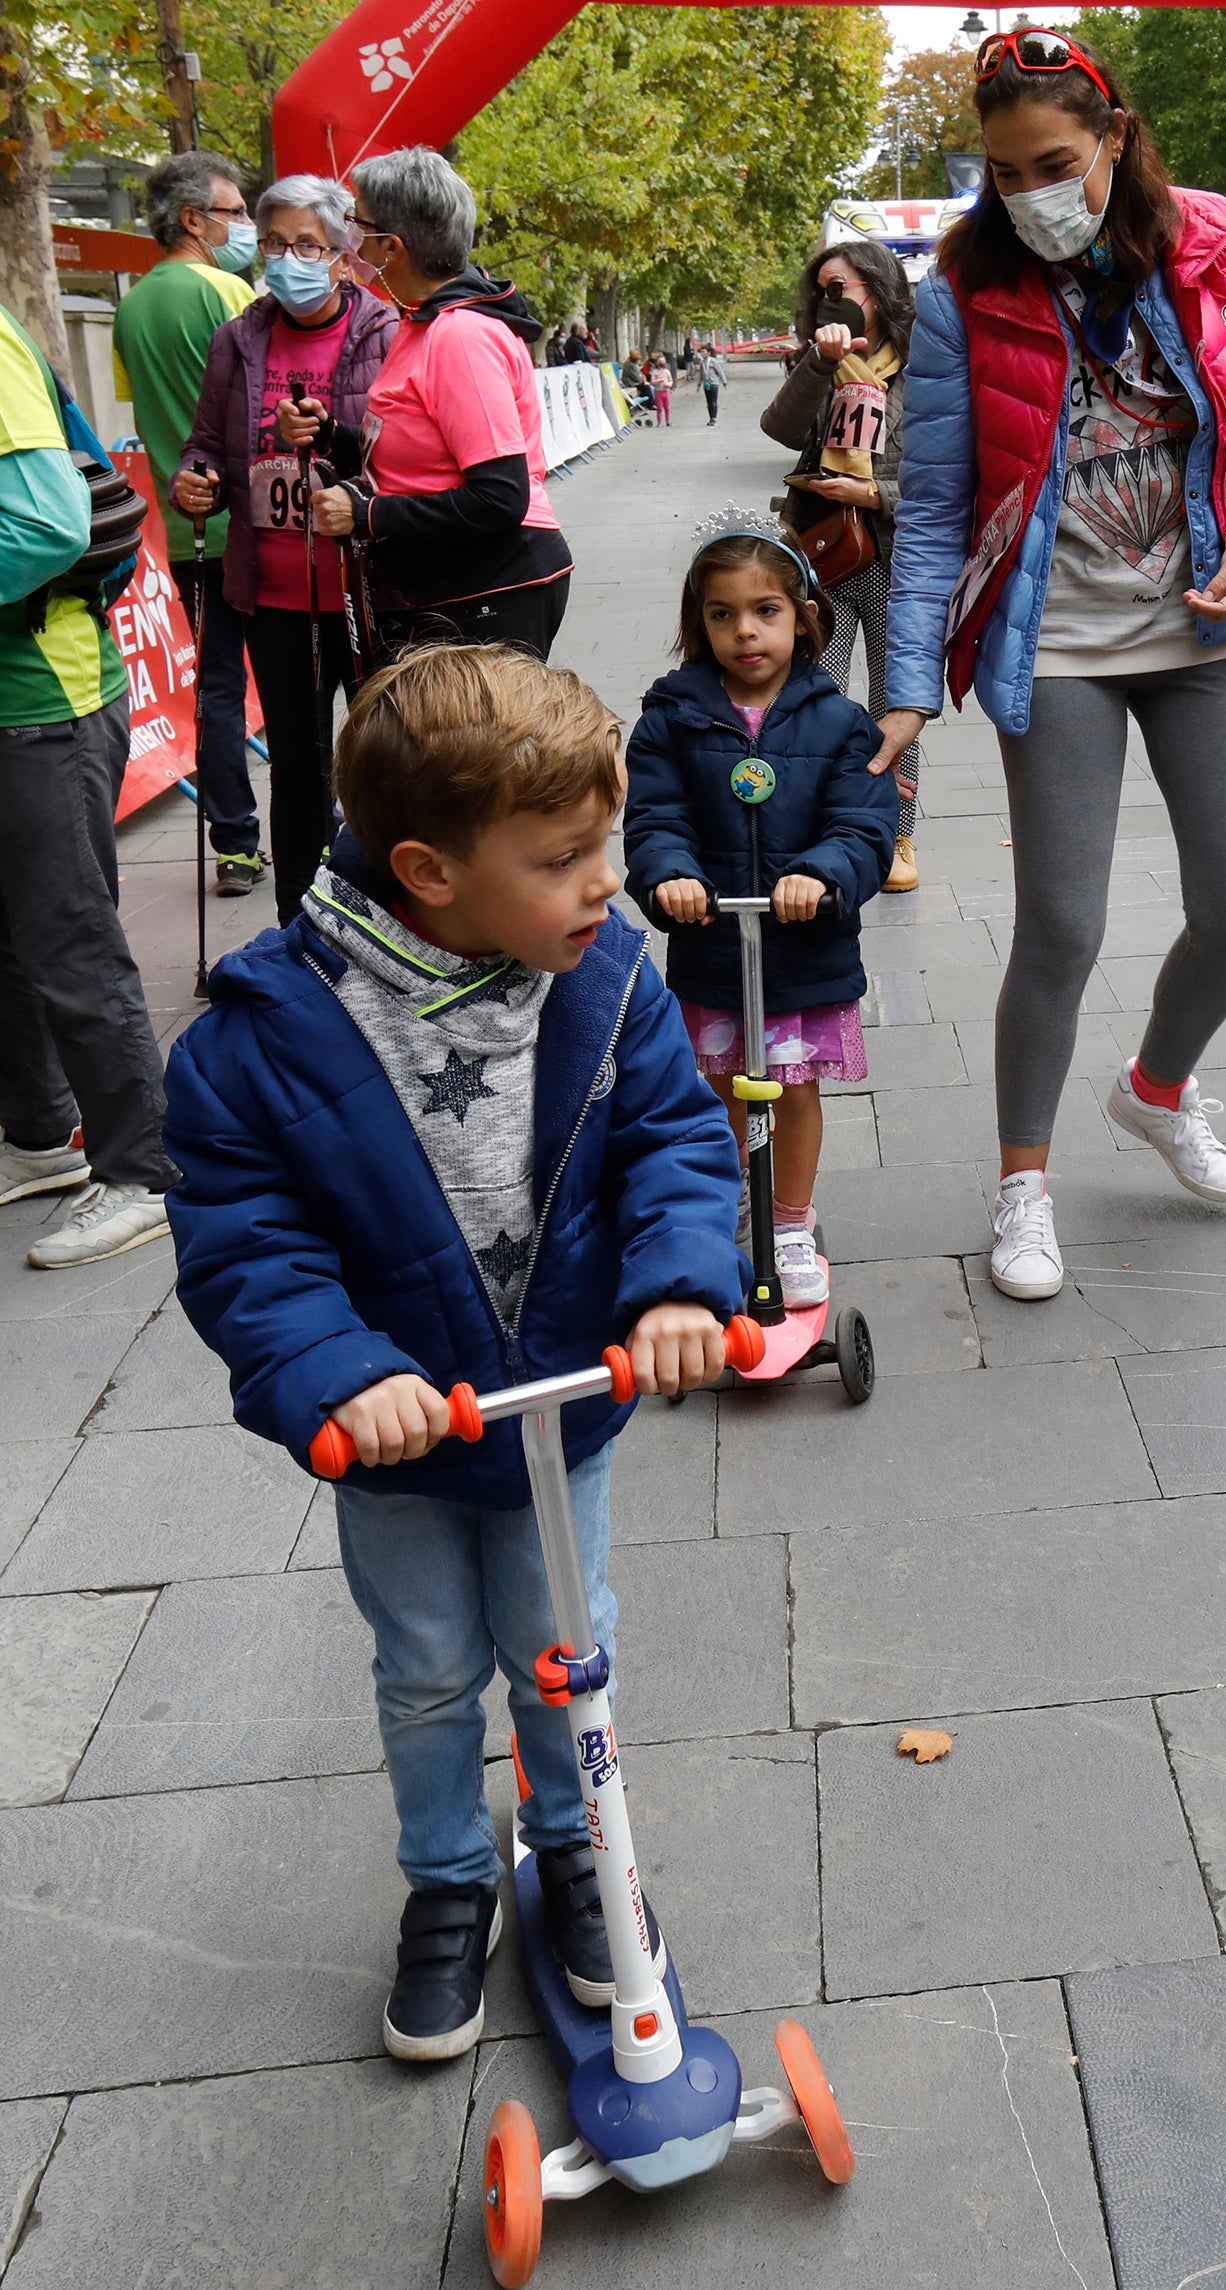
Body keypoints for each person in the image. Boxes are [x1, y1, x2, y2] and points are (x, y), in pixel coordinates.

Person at [162, 640, 743, 2060]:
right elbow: (246, 1240)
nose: (603, 882)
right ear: (427, 871)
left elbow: (673, 1137)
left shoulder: (608, 979)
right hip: (408, 1433)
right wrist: (345, 1372)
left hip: (556, 1409)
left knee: (568, 1650)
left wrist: (675, 1283)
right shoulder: (264, 1039)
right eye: (560, 858)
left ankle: (577, 1854)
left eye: (600, 846)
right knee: (425, 1667)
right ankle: (448, 1877)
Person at [882, 26, 1226, 1302]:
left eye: (1055, 162)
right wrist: (910, 685)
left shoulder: (1213, 238)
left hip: (1203, 617)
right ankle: (1021, 1181)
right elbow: (931, 508)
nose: (1029, 192)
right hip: (1060, 639)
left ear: (1117, 138)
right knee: (1063, 927)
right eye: (1004, 171)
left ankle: (1156, 1086)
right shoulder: (961, 287)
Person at [623, 512, 897, 1310]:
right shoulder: (671, 720)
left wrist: (822, 873)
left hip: (803, 955)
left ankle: (791, 1220)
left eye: (765, 611)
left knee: (794, 1090)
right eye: (722, 615)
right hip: (714, 949)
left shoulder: (843, 724)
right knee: (718, 1094)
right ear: (697, 623)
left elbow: (864, 826)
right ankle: (725, 1209)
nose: (745, 632)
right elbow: (656, 820)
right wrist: (670, 876)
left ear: (805, 614)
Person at [0, 301, 177, 1269]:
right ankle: (39, 1136)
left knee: (69, 940)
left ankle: (143, 1169)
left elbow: (44, 522)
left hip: (43, 701)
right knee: (15, 937)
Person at [172, 174, 396, 923]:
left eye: (307, 243)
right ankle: (301, 931)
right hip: (273, 595)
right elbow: (206, 444)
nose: (287, 257)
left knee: (382, 767)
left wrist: (333, 441)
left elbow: (398, 457)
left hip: (363, 594)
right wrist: (195, 480)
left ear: (341, 254)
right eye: (273, 242)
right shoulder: (238, 338)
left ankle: (390, 924)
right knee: (298, 768)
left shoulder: (383, 332)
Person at [282, 149, 573, 660]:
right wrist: (334, 436)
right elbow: (416, 456)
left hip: (490, 584)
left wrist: (366, 515)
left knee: (473, 743)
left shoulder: (460, 336)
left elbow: (500, 498)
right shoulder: (422, 322)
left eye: (356, 223)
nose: (349, 238)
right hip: (447, 583)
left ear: (391, 247)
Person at [112, 150, 264, 897]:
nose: (245, 225)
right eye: (234, 212)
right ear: (193, 220)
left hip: (182, 529)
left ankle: (235, 844)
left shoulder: (132, 306)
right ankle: (329, 825)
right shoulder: (226, 290)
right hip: (255, 527)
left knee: (216, 689)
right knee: (299, 685)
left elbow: (140, 410)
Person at [761, 237, 920, 894]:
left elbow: (955, 475)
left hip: (891, 554)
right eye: (821, 290)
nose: (829, 300)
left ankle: (897, 832)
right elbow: (778, 426)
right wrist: (820, 366)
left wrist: (876, 493)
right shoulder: (821, 364)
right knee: (814, 696)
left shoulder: (924, 367)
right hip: (819, 550)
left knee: (894, 700)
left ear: (879, 293)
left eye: (842, 288)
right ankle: (825, 823)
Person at [695, 344, 728, 427]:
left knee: (713, 401)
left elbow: (720, 371)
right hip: (706, 384)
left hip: (714, 383)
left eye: (704, 352)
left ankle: (714, 418)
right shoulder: (702, 362)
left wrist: (724, 381)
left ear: (708, 353)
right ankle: (710, 417)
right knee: (708, 402)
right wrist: (699, 384)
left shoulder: (713, 361)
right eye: (701, 352)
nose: (702, 353)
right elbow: (701, 374)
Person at [648, 351, 675, 426]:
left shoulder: (667, 372)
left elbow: (671, 381)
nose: (662, 364)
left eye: (663, 362)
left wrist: (668, 385)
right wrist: (659, 381)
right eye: (660, 362)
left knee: (667, 407)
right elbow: (652, 381)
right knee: (659, 408)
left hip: (666, 391)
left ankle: (668, 421)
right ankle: (659, 421)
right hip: (658, 391)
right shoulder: (655, 372)